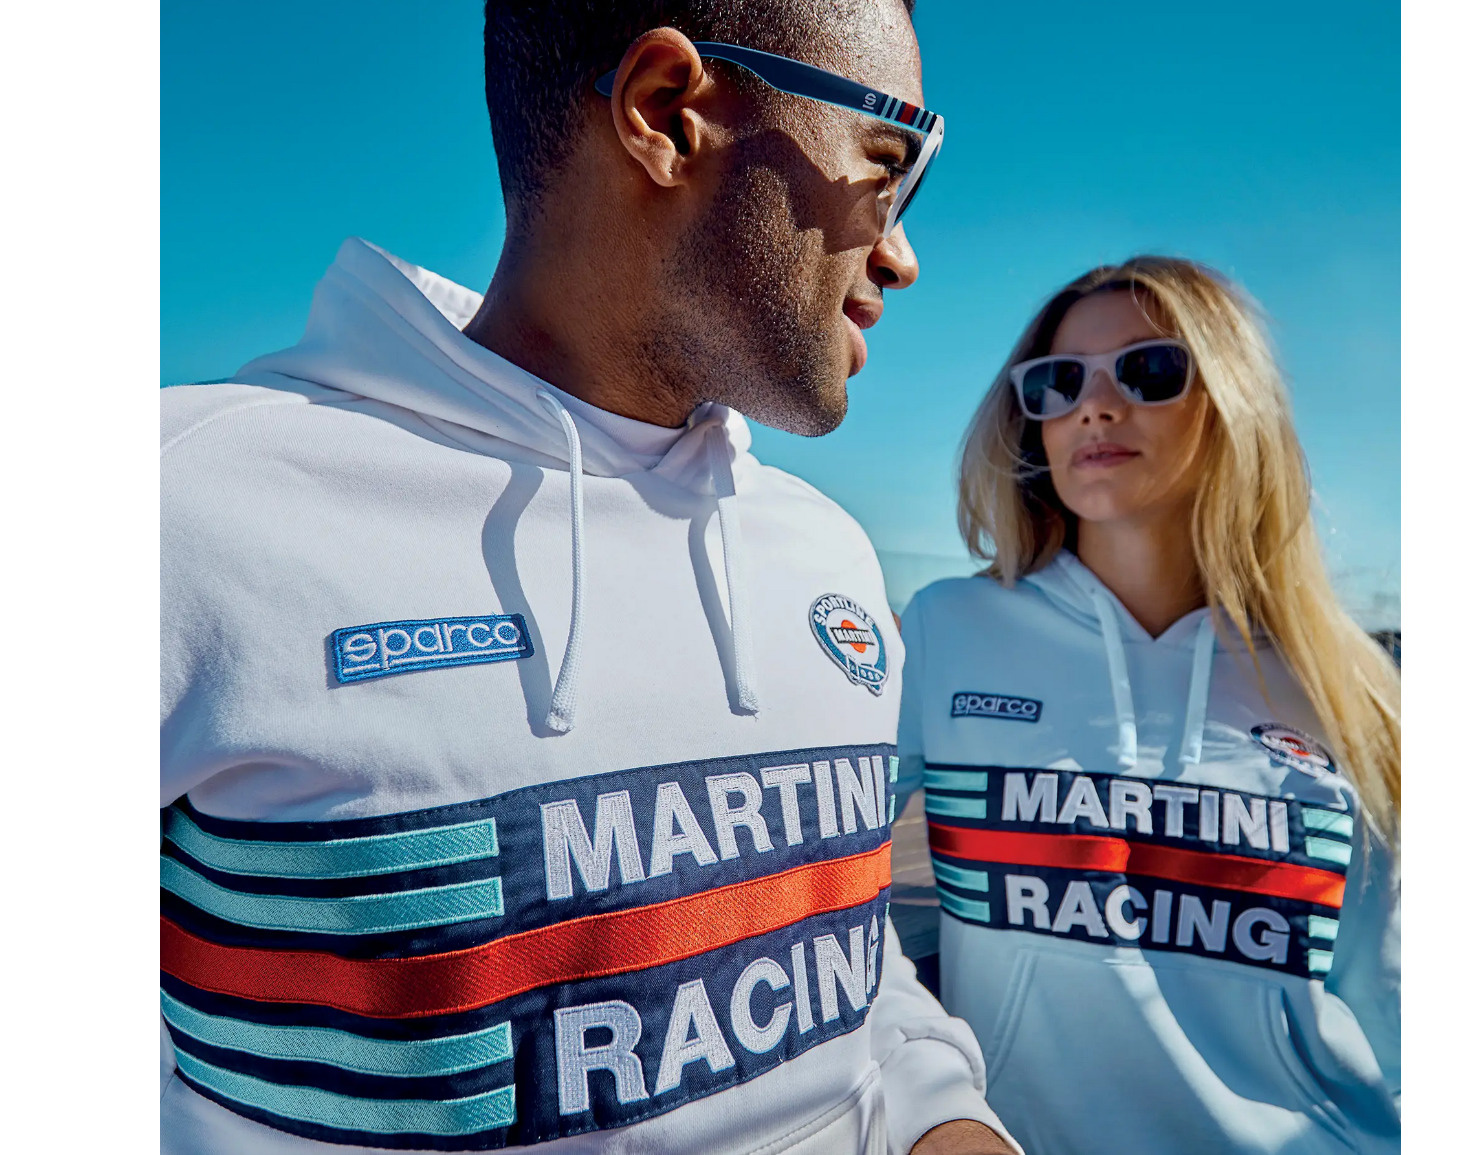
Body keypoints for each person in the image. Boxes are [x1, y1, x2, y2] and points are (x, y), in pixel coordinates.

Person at [159, 3, 1015, 1153]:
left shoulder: (827, 553)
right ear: (667, 113)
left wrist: (947, 1118)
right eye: (886, 165)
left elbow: (851, 969)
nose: (903, 256)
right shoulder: (180, 503)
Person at [894, 257, 1400, 1153]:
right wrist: (930, 1105)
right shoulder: (947, 631)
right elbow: (824, 911)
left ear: (1233, 402)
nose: (1094, 406)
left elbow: (1397, 1001)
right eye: (1058, 382)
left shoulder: (1343, 685)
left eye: (1149, 370)